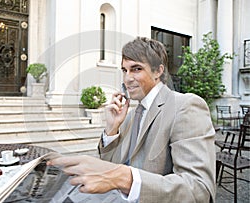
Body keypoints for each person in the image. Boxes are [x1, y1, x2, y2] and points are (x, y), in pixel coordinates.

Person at [47, 37, 216, 202]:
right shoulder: (131, 115)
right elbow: (109, 169)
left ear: (158, 71)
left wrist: (124, 178)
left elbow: (199, 190)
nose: (127, 78)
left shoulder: (185, 106)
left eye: (136, 69)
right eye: (124, 70)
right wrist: (112, 129)